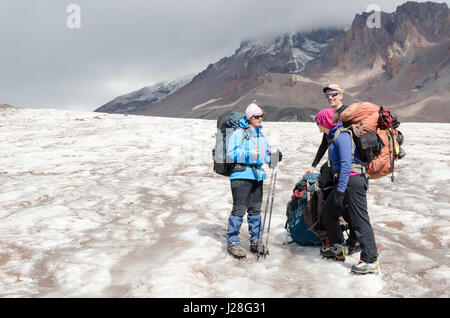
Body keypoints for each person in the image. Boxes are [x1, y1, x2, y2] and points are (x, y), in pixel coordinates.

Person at [315, 107, 379, 274]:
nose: (317, 125)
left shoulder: (342, 136)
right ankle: (338, 247)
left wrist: (340, 190)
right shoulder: (333, 136)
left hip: (353, 181)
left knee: (360, 220)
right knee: (329, 212)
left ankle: (370, 260)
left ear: (325, 122)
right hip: (345, 182)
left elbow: (346, 164)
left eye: (318, 122)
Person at [225, 102, 281, 259]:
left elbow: (266, 155)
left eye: (261, 116)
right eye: (256, 116)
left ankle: (255, 240)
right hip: (241, 175)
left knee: (255, 210)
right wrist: (250, 154)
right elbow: (231, 154)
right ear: (249, 117)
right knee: (239, 209)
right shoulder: (238, 133)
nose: (260, 119)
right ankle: (233, 242)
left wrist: (274, 158)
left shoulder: (260, 135)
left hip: (257, 176)